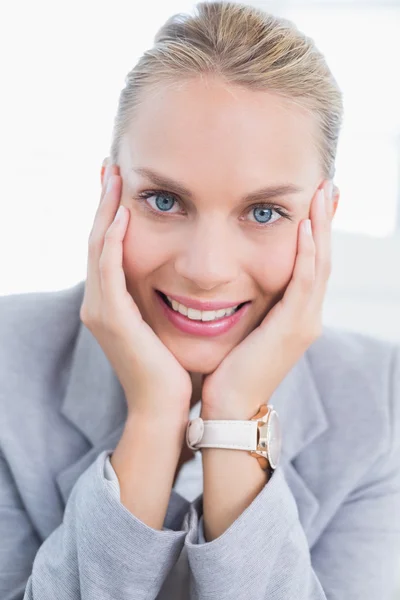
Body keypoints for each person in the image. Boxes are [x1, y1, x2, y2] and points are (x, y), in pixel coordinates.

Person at [1, 2, 399, 598]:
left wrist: (234, 419)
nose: (206, 270)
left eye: (265, 212)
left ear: (322, 219)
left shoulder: (382, 400)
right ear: (110, 192)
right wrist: (154, 420)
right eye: (163, 200)